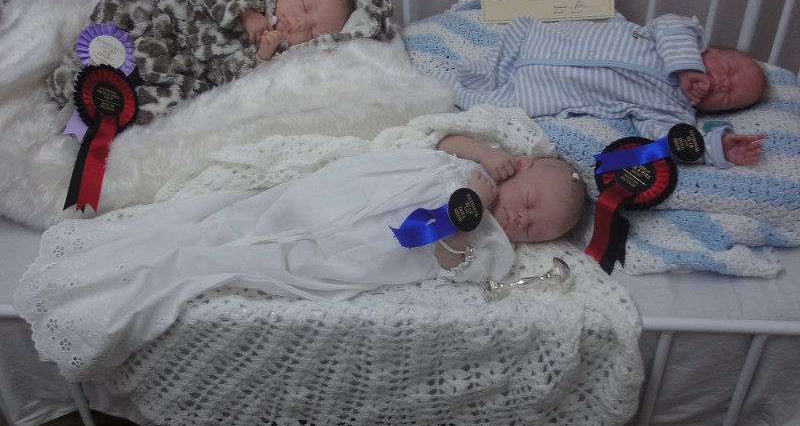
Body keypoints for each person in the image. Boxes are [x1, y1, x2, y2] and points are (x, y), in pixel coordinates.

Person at [14, 134, 585, 379]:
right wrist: (485, 155)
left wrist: (464, 225)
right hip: (334, 198)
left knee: (259, 260)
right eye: (528, 204)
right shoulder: (478, 164)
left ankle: (131, 290)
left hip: (357, 250)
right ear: (521, 167)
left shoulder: (493, 246)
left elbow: (450, 267)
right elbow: (440, 142)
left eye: (536, 231)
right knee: (239, 219)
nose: (521, 221)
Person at [47, 0, 394, 124]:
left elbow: (233, 83)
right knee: (126, 22)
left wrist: (261, 58)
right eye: (304, 6)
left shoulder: (283, 55)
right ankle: (82, 70)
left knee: (168, 103)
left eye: (315, 30)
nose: (301, 23)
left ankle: (96, 110)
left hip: (190, 70)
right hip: (175, 15)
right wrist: (246, 12)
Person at [450, 13, 766, 168]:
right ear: (710, 50)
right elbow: (671, 23)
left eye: (729, 96)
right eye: (729, 70)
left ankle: (448, 98)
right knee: (473, 69)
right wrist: (686, 66)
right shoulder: (676, 40)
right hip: (537, 41)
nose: (725, 83)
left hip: (546, 88)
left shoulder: (674, 111)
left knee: (474, 104)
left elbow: (670, 141)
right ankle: (456, 78)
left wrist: (715, 146)